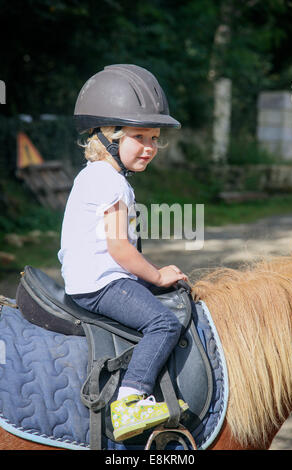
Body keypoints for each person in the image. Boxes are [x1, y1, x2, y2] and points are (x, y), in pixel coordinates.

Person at [58, 64, 189, 442]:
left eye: (154, 137)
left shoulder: (92, 174)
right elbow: (119, 249)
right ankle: (130, 401)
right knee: (163, 323)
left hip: (88, 282)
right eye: (138, 136)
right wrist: (158, 275)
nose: (149, 147)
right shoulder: (111, 181)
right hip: (102, 285)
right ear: (109, 136)